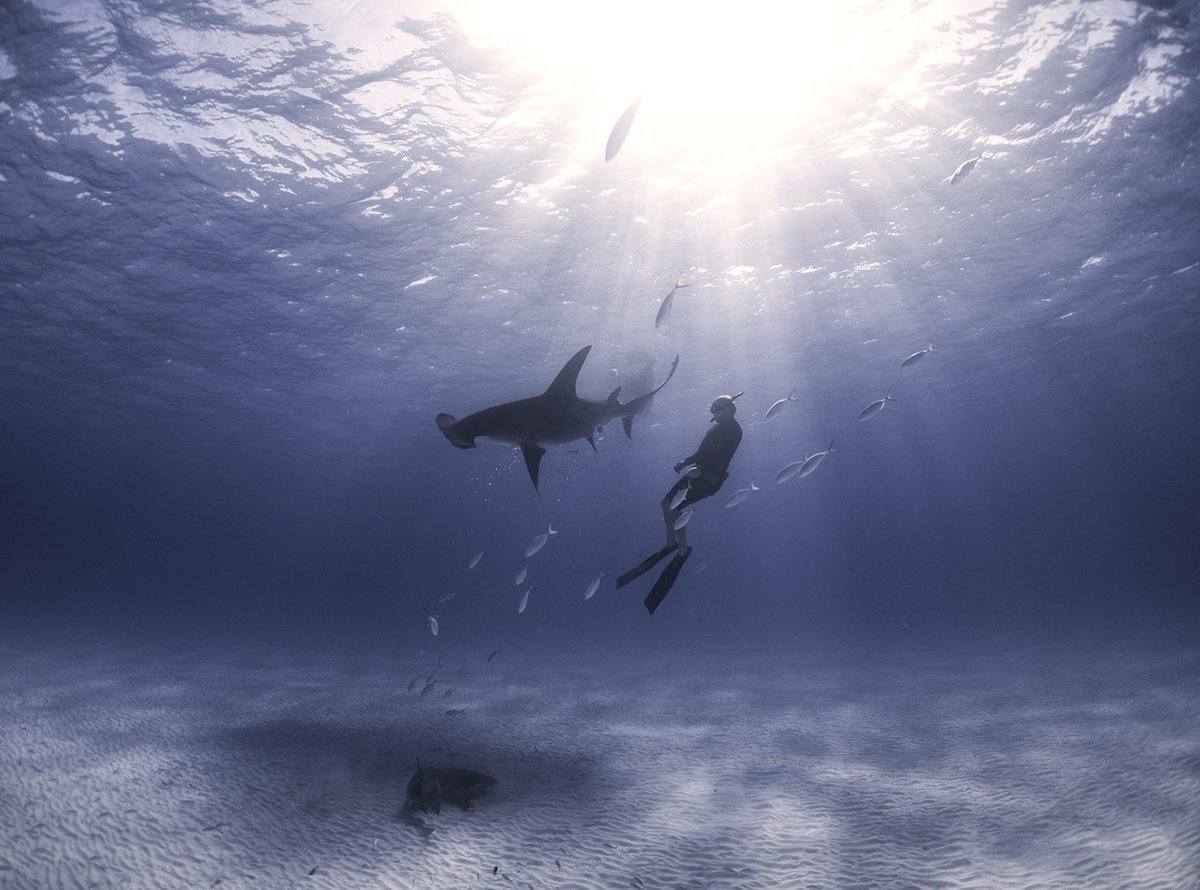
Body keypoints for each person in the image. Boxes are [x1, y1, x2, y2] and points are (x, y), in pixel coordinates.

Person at [617, 392, 743, 614]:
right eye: (712, 409)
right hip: (699, 474)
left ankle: (682, 548)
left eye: (716, 409)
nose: (713, 412)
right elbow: (702, 452)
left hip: (708, 479)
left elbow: (722, 456)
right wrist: (686, 461)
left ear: (728, 410)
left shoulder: (733, 430)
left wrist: (701, 469)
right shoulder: (717, 427)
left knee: (674, 506)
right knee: (667, 503)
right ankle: (672, 544)